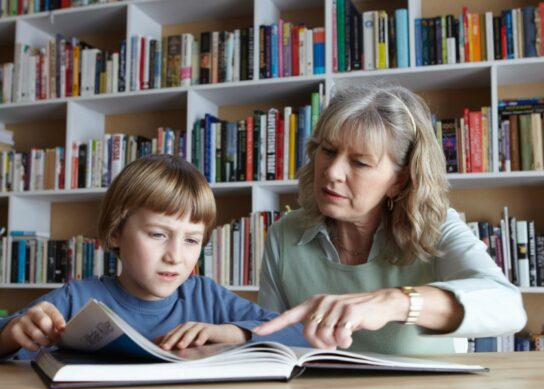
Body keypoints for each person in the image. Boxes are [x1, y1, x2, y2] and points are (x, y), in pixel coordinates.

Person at [253, 85, 527, 354]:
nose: (333, 172)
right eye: (328, 150)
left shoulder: (435, 226)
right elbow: (272, 343)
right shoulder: (284, 233)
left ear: (399, 180)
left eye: (360, 162)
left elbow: (508, 306)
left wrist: (394, 302)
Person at [0, 155, 307, 360]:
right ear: (117, 231)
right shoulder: (75, 299)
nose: (175, 256)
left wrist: (230, 332)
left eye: (191, 240)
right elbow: (9, 336)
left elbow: (305, 335)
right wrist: (13, 335)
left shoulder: (207, 297)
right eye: (158, 235)